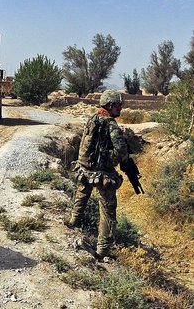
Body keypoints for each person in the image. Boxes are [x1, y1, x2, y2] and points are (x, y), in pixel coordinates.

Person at [66, 89, 128, 259]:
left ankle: (73, 221)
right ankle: (103, 250)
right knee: (108, 210)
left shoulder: (92, 119)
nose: (120, 109)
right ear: (109, 105)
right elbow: (121, 151)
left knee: (81, 194)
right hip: (102, 173)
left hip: (86, 169)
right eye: (118, 106)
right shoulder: (111, 124)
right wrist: (112, 161)